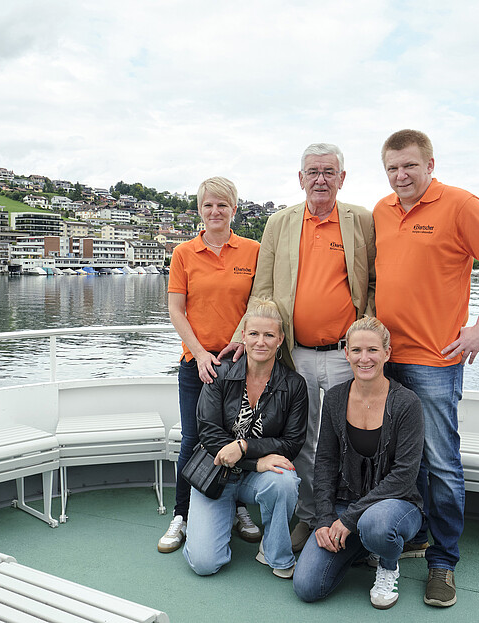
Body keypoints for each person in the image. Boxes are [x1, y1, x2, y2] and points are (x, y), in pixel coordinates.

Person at [373, 129, 479, 607]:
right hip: (386, 359)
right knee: (400, 459)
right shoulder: (381, 210)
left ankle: (444, 561)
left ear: (430, 164)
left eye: (410, 165)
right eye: (393, 167)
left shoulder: (459, 205)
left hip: (437, 359)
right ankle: (414, 536)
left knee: (440, 462)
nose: (401, 175)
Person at [223, 143, 376, 554]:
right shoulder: (279, 222)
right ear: (301, 178)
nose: (320, 179)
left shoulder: (361, 220)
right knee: (305, 440)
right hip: (297, 353)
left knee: (352, 438)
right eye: (313, 172)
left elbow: (374, 281)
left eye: (329, 171)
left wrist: (368, 336)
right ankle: (311, 516)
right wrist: (244, 335)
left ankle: (353, 518)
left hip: (349, 355)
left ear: (342, 178)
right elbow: (264, 289)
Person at [159, 177, 262, 554]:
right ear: (199, 211)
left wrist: (238, 339)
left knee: (237, 438)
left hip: (240, 362)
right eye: (208, 206)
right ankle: (181, 515)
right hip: (197, 364)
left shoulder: (253, 250)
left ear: (234, 208)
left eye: (223, 205)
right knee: (193, 439)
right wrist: (200, 353)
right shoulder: (185, 253)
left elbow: (259, 302)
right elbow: (176, 309)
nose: (215, 212)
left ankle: (236, 508)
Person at [293, 317, 423, 609]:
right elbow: (324, 463)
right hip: (345, 503)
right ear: (346, 353)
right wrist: (325, 519)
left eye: (373, 350)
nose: (365, 358)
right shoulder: (337, 398)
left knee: (376, 524)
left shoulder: (407, 403)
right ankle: (361, 546)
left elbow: (404, 476)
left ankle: (387, 564)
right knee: (307, 586)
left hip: (396, 505)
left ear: (387, 354)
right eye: (357, 350)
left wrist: (348, 521)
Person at [183, 300, 308, 578]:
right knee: (204, 564)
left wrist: (244, 446)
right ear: (244, 336)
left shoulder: (294, 385)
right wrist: (255, 462)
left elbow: (292, 443)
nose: (260, 342)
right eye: (254, 334)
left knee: (285, 480)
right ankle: (222, 516)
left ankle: (275, 553)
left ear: (280, 340)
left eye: (269, 335)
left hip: (257, 480)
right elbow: (209, 433)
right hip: (215, 473)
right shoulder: (220, 373)